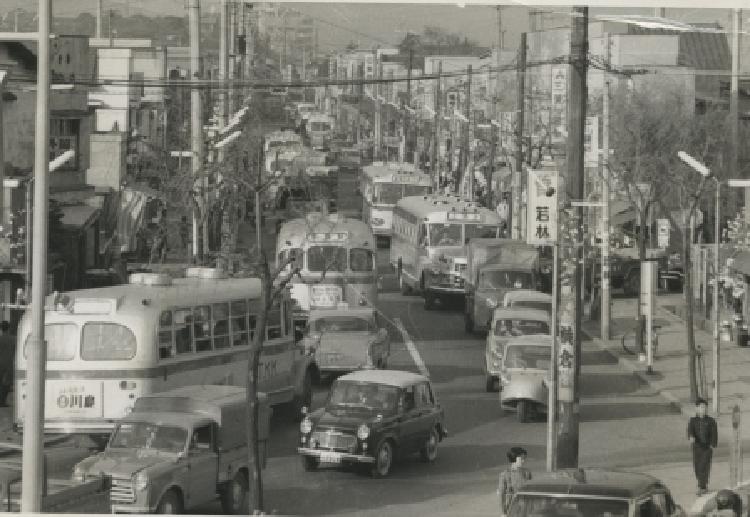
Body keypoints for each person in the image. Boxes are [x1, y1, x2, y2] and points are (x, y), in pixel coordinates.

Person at [688, 398, 718, 495]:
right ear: (696, 409)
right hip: (696, 448)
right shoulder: (693, 421)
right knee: (697, 467)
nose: (703, 409)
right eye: (701, 407)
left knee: (704, 467)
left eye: (705, 407)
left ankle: (702, 487)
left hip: (706, 448)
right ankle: (702, 484)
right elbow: (690, 431)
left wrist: (713, 444)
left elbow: (714, 433)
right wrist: (691, 437)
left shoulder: (711, 421)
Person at [498, 446, 531, 516]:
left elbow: (532, 491)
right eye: (521, 459)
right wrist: (503, 512)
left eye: (524, 458)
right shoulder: (505, 474)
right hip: (512, 507)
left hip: (526, 507)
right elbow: (502, 495)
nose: (523, 461)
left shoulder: (527, 472)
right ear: (513, 458)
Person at [0, 321, 14, 407]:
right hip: (9, 364)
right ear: (9, 328)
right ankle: (2, 402)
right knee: (6, 384)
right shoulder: (13, 339)